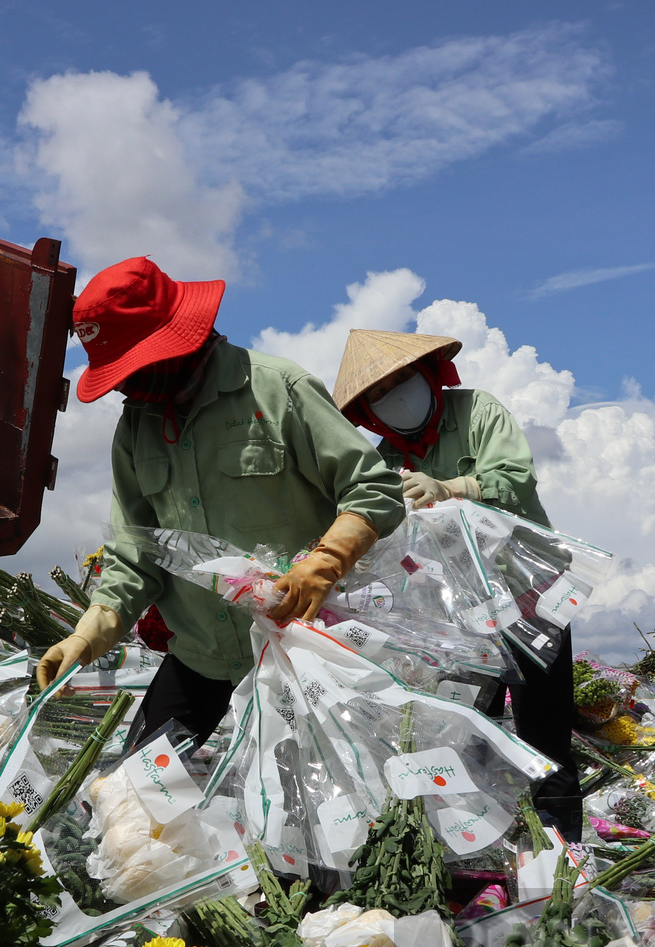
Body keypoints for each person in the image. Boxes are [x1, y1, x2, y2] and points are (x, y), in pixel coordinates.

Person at [37, 259, 406, 749]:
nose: (126, 386)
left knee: (316, 806)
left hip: (300, 646)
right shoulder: (136, 429)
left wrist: (326, 560)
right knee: (135, 793)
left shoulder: (279, 390)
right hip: (201, 658)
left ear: (175, 341)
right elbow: (134, 553)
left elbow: (374, 487)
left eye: (133, 368)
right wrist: (89, 634)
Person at [331, 329, 583, 842]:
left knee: (545, 729)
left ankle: (563, 848)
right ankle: (484, 846)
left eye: (404, 379)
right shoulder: (382, 462)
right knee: (470, 731)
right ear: (369, 410)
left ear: (429, 374)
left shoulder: (477, 413)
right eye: (381, 392)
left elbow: (514, 477)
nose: (397, 395)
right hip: (455, 618)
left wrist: (453, 488)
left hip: (527, 592)